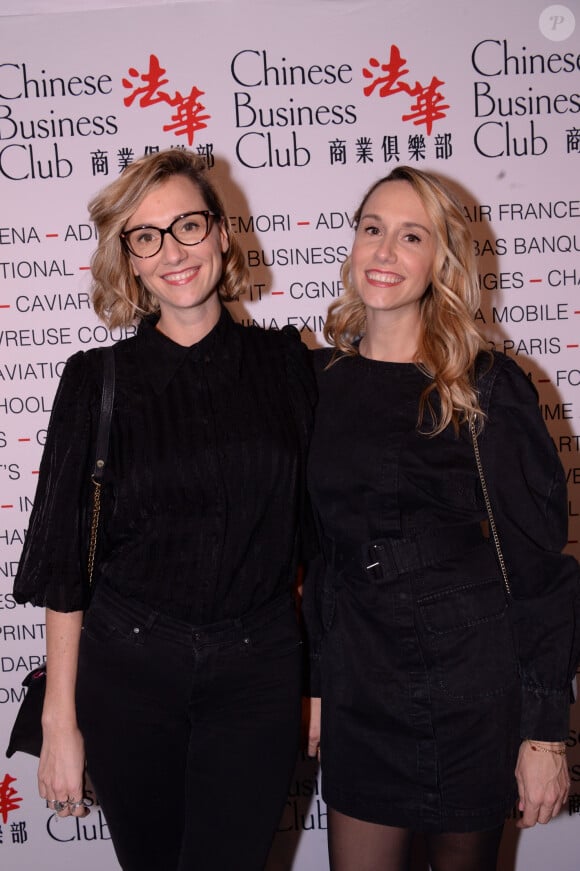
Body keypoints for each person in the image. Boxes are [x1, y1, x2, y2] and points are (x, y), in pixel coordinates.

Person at [13, 149, 315, 871]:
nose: (173, 251)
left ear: (220, 233)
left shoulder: (288, 365)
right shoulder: (96, 380)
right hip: (130, 670)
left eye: (187, 225)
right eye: (146, 236)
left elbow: (324, 538)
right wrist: (61, 717)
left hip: (259, 670)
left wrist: (323, 680)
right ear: (130, 261)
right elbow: (64, 563)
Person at [304, 165, 580, 871]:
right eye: (373, 229)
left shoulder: (485, 382)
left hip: (469, 691)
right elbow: (315, 554)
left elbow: (543, 569)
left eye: (410, 235)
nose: (385, 251)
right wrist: (313, 681)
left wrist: (545, 732)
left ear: (441, 260)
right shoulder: (319, 385)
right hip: (360, 687)